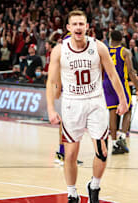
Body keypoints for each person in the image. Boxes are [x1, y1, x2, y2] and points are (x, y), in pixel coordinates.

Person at [46, 10, 128, 203]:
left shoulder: (98, 47)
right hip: (72, 104)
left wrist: (122, 100)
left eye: (81, 24)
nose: (78, 28)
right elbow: (51, 82)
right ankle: (72, 192)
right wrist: (51, 109)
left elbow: (113, 75)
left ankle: (94, 186)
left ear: (87, 27)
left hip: (95, 102)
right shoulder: (60, 50)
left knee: (102, 152)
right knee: (71, 154)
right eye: (74, 24)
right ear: (68, 28)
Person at [104, 30, 138, 155]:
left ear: (110, 38)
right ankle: (122, 137)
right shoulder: (125, 51)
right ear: (121, 39)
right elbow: (130, 71)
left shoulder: (105, 50)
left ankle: (114, 144)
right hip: (120, 83)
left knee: (112, 112)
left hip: (107, 83)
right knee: (128, 109)